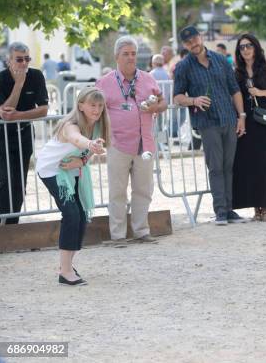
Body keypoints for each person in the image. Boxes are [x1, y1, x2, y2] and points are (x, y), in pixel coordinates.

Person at [96, 36, 167, 246]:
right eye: (126, 54)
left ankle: (141, 231)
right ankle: (118, 235)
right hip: (118, 144)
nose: (130, 58)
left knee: (144, 190)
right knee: (117, 191)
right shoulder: (104, 82)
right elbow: (94, 110)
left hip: (145, 143)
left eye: (133, 54)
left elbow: (163, 102)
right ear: (116, 56)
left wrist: (156, 107)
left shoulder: (147, 78)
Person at [173, 26, 247, 225]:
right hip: (207, 123)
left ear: (201, 37)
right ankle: (221, 211)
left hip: (229, 119)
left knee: (229, 166)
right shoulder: (183, 67)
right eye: (188, 43)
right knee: (215, 167)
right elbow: (177, 97)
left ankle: (230, 209)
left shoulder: (221, 60)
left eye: (195, 39)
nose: (193, 44)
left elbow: (235, 90)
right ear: (184, 45)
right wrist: (194, 100)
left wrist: (241, 116)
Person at [36, 87, 110, 285]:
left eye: (100, 105)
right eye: (92, 105)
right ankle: (65, 272)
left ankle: (67, 265)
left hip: (71, 169)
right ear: (81, 106)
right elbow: (78, 140)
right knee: (71, 215)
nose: (97, 109)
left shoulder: (98, 125)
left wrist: (84, 160)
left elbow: (87, 153)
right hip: (52, 170)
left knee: (81, 215)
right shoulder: (71, 124)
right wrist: (91, 145)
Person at [232, 34, 266, 221]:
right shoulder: (237, 71)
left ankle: (265, 208)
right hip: (244, 122)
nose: (245, 49)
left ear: (256, 47)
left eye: (248, 46)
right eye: (242, 47)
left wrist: (261, 92)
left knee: (264, 164)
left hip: (263, 121)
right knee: (248, 165)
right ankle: (255, 208)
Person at [0, 42, 49, 224]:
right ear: (9, 61)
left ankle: (12, 226)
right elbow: (5, 112)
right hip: (2, 135)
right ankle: (1, 221)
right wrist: (18, 85)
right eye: (19, 59)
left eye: (27, 59)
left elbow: (43, 110)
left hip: (25, 133)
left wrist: (19, 115)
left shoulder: (36, 76)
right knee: (5, 180)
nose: (24, 63)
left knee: (19, 184)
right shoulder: (1, 78)